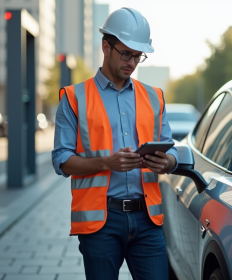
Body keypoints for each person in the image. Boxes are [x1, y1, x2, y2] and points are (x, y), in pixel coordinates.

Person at [52, 7, 177, 280]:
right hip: (101, 222)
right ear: (105, 47)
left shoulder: (155, 97)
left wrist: (167, 161)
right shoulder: (75, 98)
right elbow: (61, 160)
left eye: (138, 56)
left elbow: (172, 150)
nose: (132, 62)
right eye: (126, 53)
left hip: (148, 220)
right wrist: (107, 163)